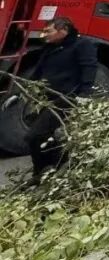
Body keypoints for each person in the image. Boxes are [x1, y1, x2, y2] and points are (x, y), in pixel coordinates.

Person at [25, 17, 98, 177]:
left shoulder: (82, 45)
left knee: (34, 135)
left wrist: (85, 94)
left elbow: (89, 68)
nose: (45, 35)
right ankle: (52, 167)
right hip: (47, 97)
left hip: (67, 97)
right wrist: (30, 86)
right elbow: (39, 69)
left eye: (49, 31)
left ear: (63, 30)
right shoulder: (51, 47)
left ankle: (45, 170)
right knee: (42, 134)